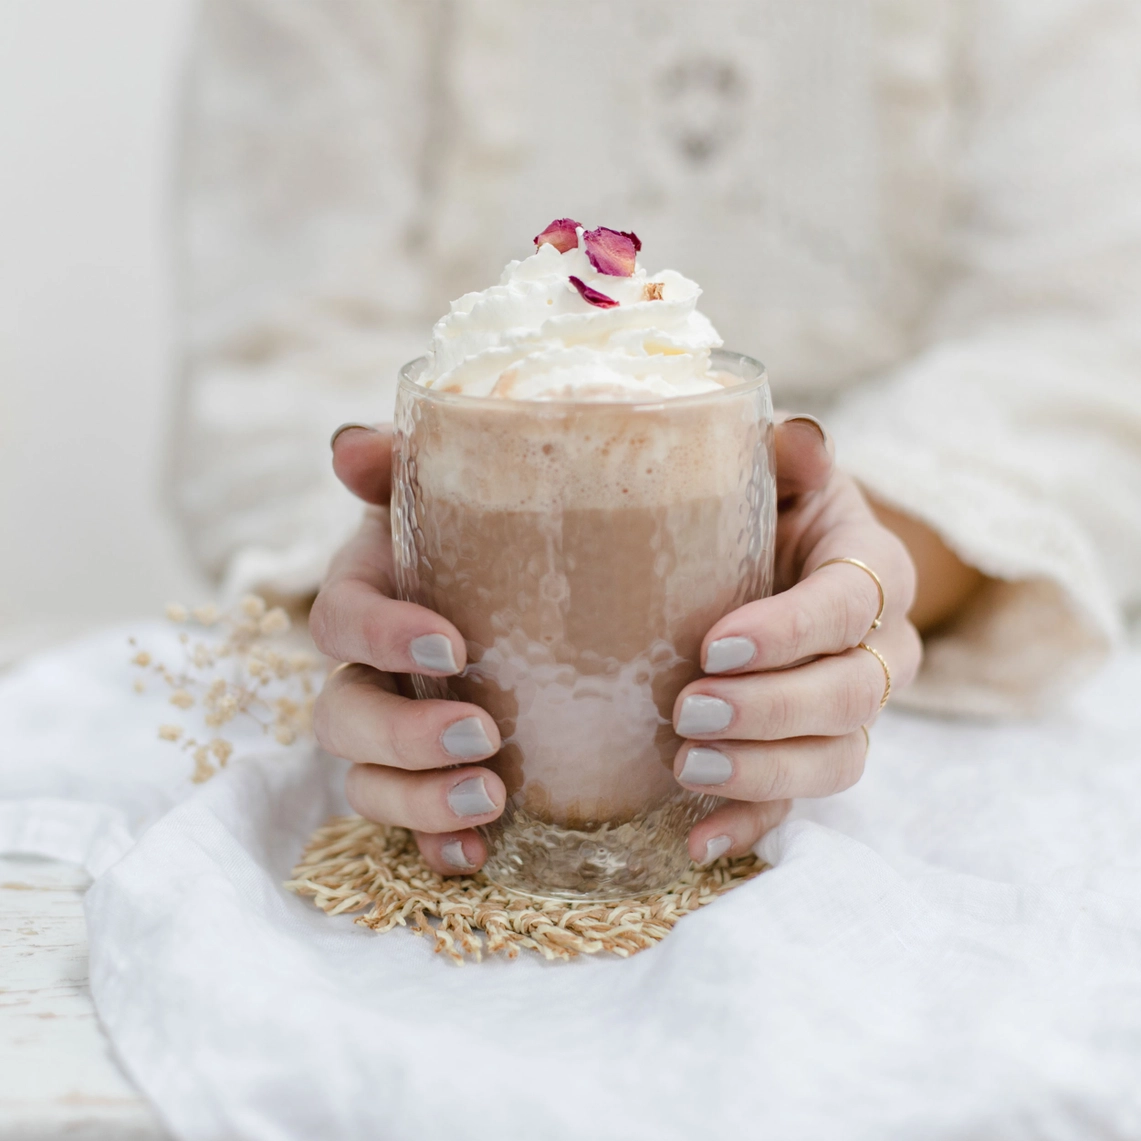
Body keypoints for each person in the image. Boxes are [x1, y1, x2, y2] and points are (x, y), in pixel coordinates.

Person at [170, 0, 1141, 874]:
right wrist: (394, 560)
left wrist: (828, 572)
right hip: (441, 677)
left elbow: (1087, 343)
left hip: (938, 718)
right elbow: (277, 355)